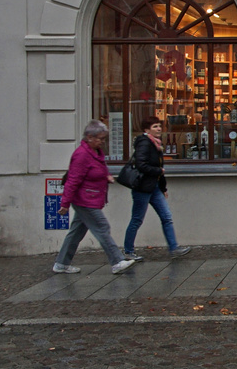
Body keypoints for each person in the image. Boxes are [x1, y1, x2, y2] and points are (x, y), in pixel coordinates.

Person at [53, 121, 136, 275]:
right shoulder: (82, 155)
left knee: (76, 232)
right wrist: (65, 203)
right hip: (85, 200)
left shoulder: (95, 152)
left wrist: (106, 176)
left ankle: (61, 263)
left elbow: (98, 170)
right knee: (102, 226)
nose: (102, 142)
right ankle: (117, 261)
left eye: (103, 138)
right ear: (89, 137)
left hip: (90, 197)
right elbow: (73, 180)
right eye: (100, 138)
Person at [124, 117, 191, 260]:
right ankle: (128, 251)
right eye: (155, 126)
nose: (159, 129)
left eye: (160, 126)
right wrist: (158, 172)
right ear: (147, 130)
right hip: (142, 187)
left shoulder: (156, 144)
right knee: (137, 219)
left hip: (154, 187)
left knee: (166, 217)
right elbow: (142, 165)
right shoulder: (144, 143)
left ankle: (174, 248)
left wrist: (163, 187)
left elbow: (160, 167)